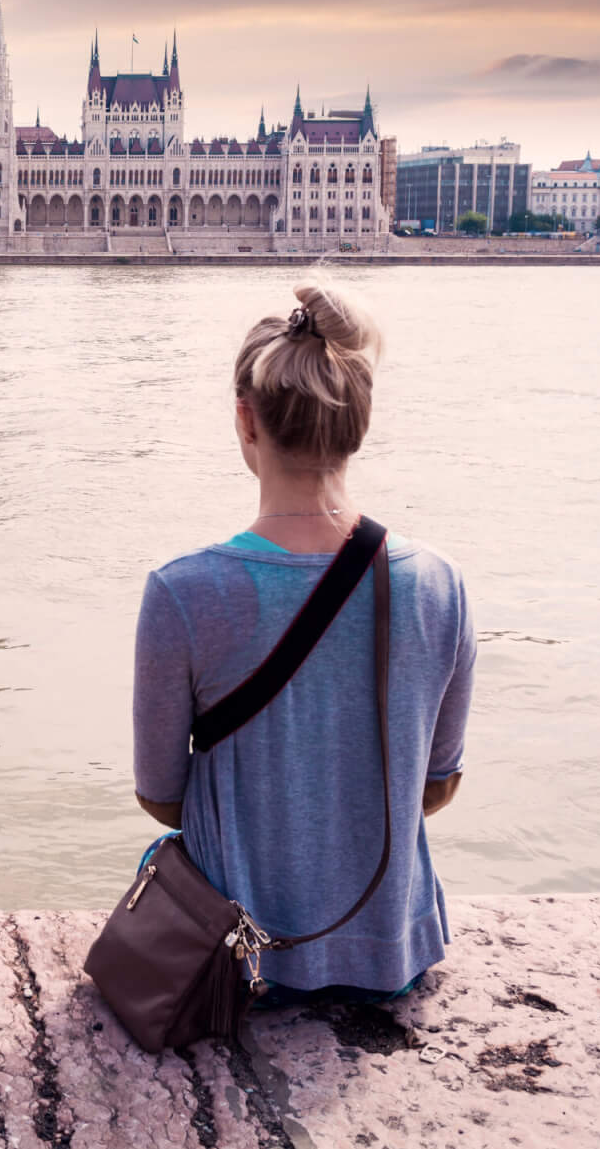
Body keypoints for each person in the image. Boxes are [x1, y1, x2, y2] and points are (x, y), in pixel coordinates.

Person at [131, 283, 474, 1006]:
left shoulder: (182, 592)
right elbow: (436, 785)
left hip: (236, 968)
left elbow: (162, 798)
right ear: (361, 421)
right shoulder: (441, 583)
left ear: (245, 420)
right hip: (394, 953)